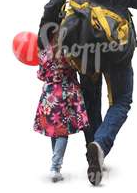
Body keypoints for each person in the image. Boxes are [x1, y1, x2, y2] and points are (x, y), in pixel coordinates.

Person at [37, 0, 137, 185]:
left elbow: (53, 5)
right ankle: (100, 144)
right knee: (122, 99)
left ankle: (94, 156)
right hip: (118, 45)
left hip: (84, 47)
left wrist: (44, 41)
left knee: (91, 100)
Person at [34, 34, 89, 182]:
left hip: (51, 94)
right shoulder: (71, 49)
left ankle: (55, 166)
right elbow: (81, 68)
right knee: (61, 131)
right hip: (67, 92)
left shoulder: (44, 51)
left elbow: (40, 75)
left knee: (55, 130)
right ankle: (55, 167)